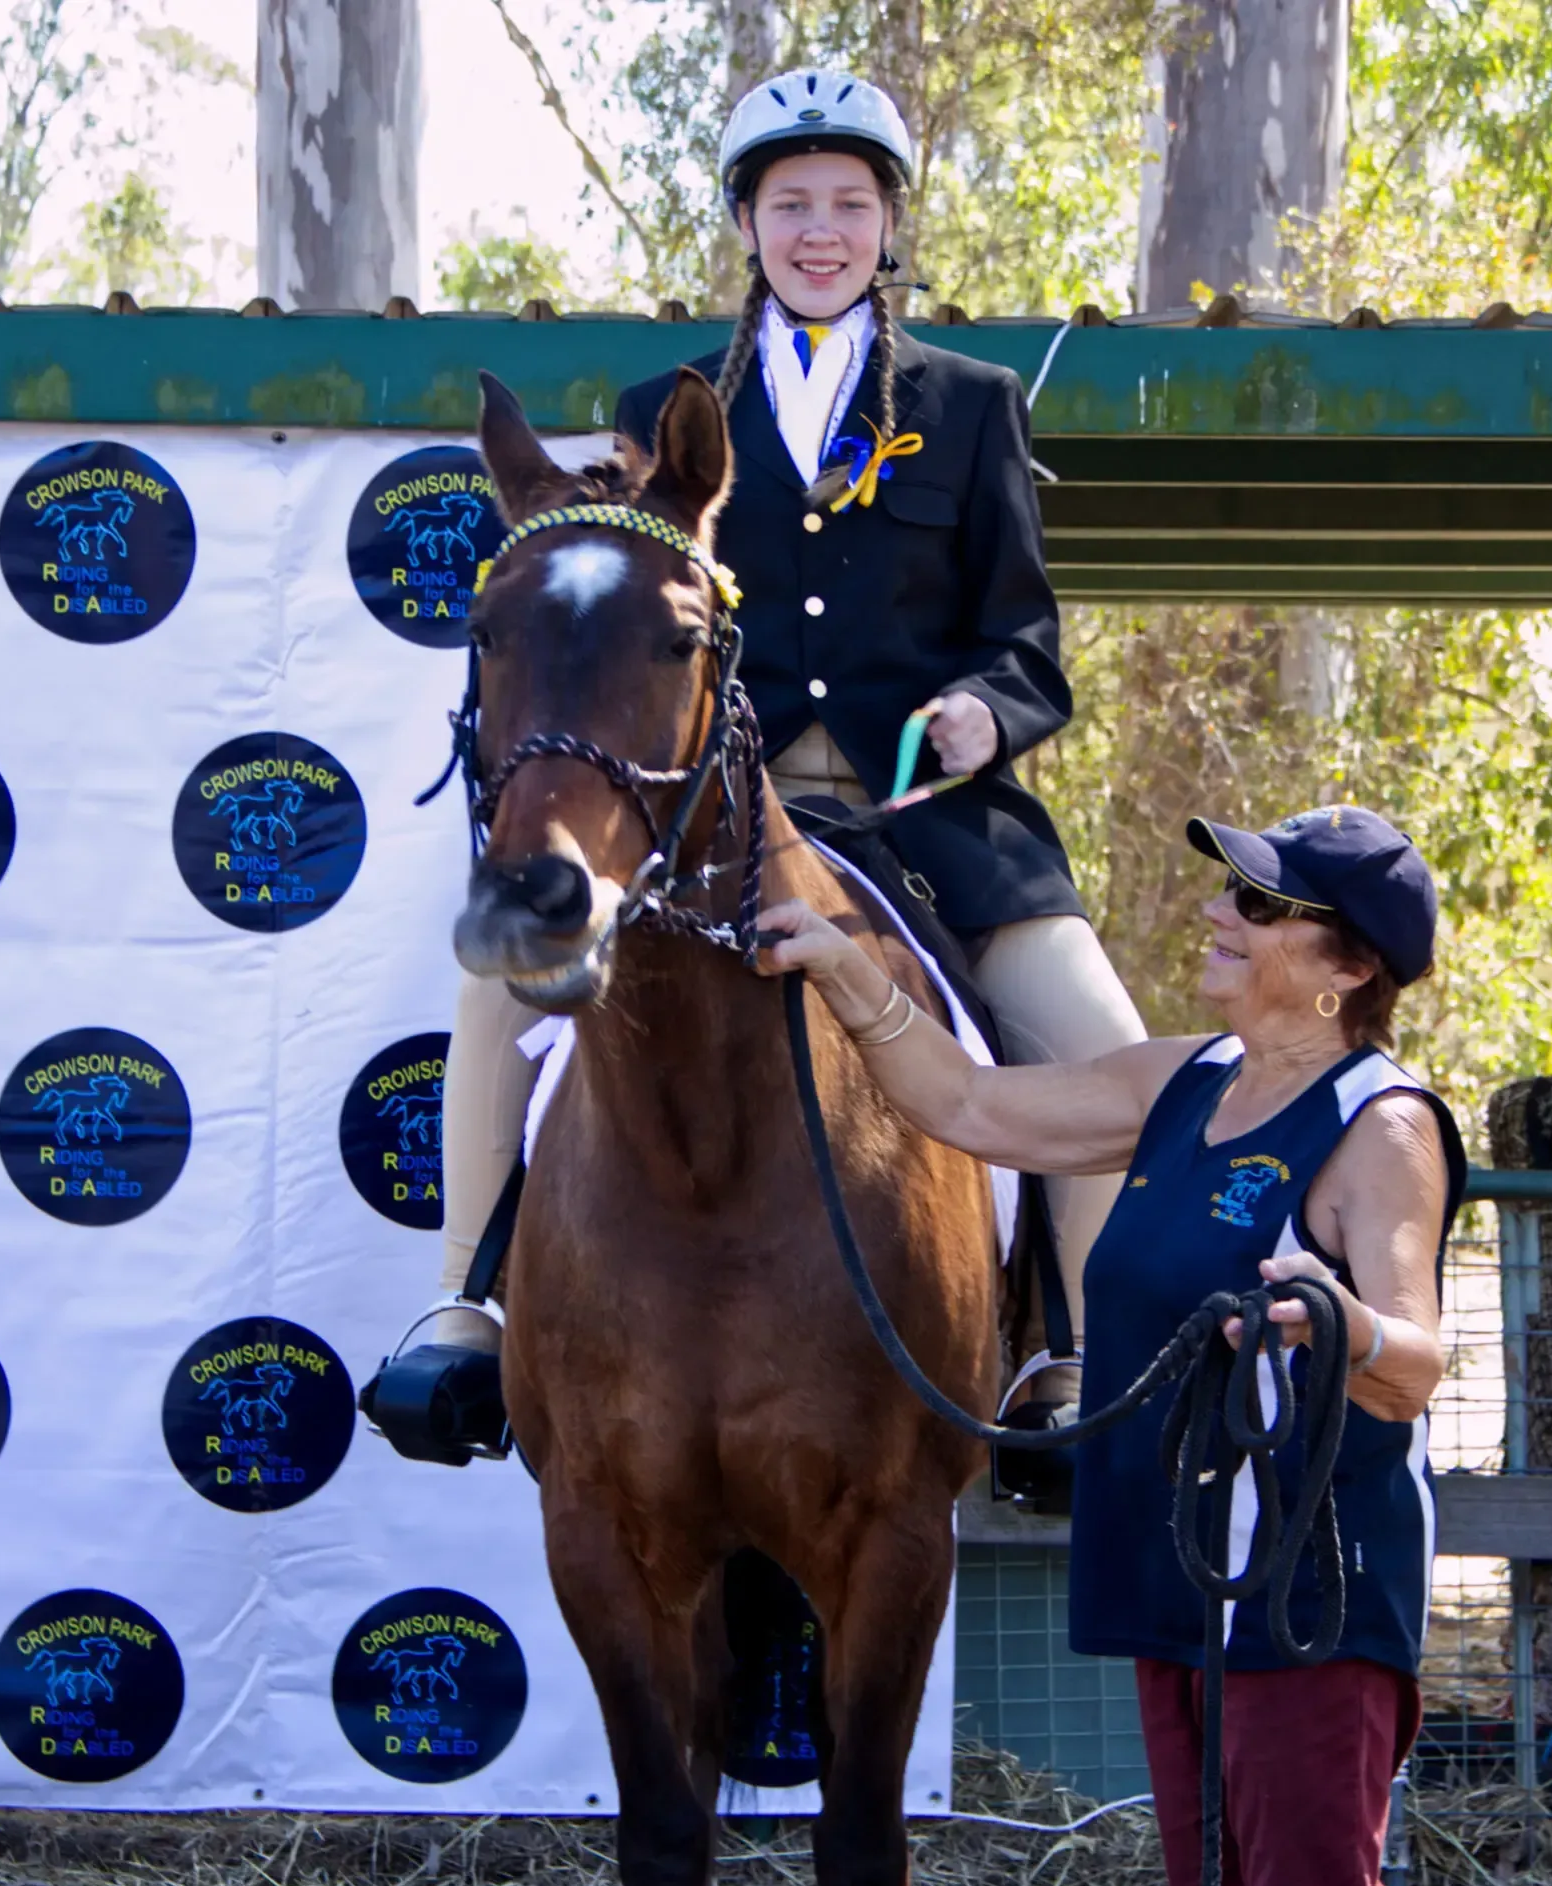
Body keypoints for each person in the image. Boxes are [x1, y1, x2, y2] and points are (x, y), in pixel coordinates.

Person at [757, 804, 1466, 1886]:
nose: (1216, 915)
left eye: (1255, 904)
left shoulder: (1380, 1127)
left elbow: (1418, 1363)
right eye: (1228, 889)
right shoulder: (1180, 1083)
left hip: (1302, 1574)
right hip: (1172, 1561)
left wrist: (1331, 1313)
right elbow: (967, 1106)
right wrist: (843, 974)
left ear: (1342, 965)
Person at [381, 65, 1142, 1464]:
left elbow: (1028, 646)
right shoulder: (659, 402)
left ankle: (1066, 1356)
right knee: (497, 985)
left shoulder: (967, 406)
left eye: (847, 204)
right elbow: (626, 608)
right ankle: (462, 1316)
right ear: (745, 222)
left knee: (1096, 1042)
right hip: (710, 812)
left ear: (885, 224)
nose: (819, 231)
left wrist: (985, 713)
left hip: (925, 813)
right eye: (789, 203)